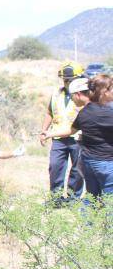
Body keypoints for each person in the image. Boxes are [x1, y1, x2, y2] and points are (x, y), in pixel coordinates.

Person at [43, 76, 113, 197]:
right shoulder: (107, 111)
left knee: (92, 197)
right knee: (108, 199)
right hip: (106, 162)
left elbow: (71, 130)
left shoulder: (84, 112)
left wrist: (49, 133)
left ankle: (83, 210)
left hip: (89, 162)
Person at [40, 62, 85, 202]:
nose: (68, 82)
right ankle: (56, 199)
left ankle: (73, 199)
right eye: (65, 80)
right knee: (55, 167)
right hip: (58, 137)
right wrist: (44, 131)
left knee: (77, 170)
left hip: (78, 138)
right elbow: (49, 112)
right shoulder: (56, 94)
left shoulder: (83, 94)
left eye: (71, 80)